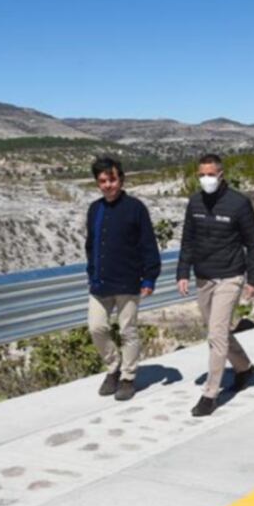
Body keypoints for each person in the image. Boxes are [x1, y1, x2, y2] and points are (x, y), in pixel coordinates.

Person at [176, 153, 254, 417]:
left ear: (221, 174)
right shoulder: (194, 203)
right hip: (204, 277)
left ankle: (210, 394)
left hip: (230, 276)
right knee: (218, 332)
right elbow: (187, 240)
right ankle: (245, 368)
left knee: (215, 334)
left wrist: (253, 279)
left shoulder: (238, 203)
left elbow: (252, 243)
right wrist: (182, 273)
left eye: (211, 174)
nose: (206, 179)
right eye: (201, 175)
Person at [85, 156, 162, 402]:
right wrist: (91, 270)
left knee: (128, 330)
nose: (108, 185)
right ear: (98, 183)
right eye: (103, 181)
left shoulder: (135, 208)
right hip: (100, 283)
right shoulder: (94, 209)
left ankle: (128, 377)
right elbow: (91, 245)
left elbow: (148, 245)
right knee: (96, 327)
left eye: (112, 179)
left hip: (128, 281)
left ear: (121, 179)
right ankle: (113, 366)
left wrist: (149, 278)